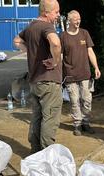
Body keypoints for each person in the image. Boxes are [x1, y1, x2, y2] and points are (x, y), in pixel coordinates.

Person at [13, 0, 62, 153]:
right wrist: (55, 61)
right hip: (48, 80)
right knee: (50, 117)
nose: (58, 15)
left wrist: (30, 50)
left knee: (37, 117)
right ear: (46, 13)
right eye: (56, 12)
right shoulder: (47, 26)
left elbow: (16, 40)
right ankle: (47, 154)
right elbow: (55, 43)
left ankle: (35, 150)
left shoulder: (31, 27)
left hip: (34, 81)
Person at [60, 10, 101, 136]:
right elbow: (60, 56)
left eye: (79, 19)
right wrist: (58, 71)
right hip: (70, 75)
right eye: (75, 19)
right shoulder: (63, 36)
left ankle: (86, 122)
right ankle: (77, 124)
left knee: (87, 100)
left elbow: (90, 52)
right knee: (74, 100)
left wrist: (96, 67)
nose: (78, 21)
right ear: (69, 20)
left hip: (85, 74)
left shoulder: (84, 33)